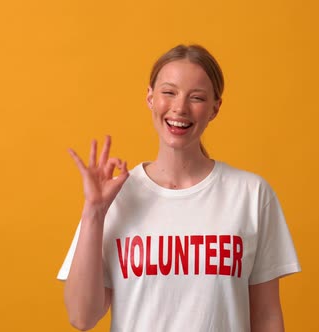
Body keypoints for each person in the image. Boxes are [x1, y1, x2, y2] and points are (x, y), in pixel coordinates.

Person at [57, 44, 301, 332]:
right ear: (150, 97)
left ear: (215, 108)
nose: (180, 108)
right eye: (169, 92)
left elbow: (266, 315)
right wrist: (94, 213)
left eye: (196, 97)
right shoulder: (116, 197)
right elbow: (81, 317)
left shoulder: (251, 194)